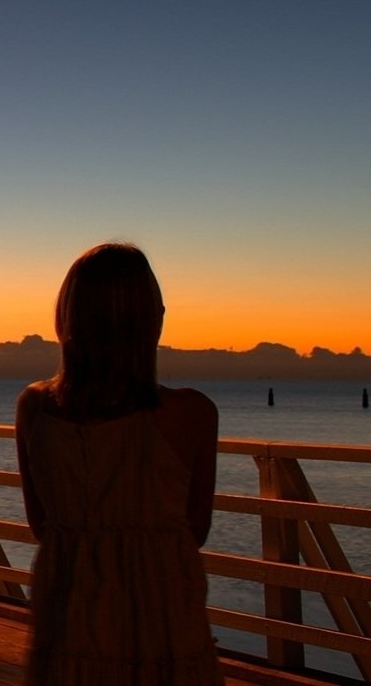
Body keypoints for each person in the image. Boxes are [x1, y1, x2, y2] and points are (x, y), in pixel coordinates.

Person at [15, 243, 222, 684]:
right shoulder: (192, 412)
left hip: (69, 614)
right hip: (163, 617)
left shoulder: (35, 406)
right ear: (152, 319)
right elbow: (195, 529)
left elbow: (40, 524)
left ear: (67, 318)